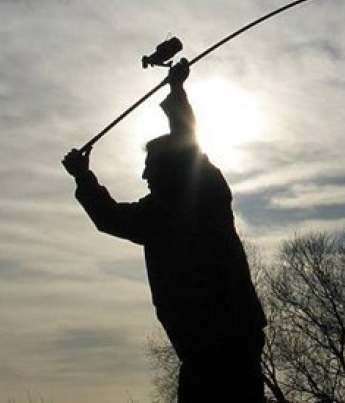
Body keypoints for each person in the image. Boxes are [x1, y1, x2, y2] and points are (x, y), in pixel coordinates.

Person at [62, 59, 267, 402]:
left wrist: (176, 91)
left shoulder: (200, 194)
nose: (143, 176)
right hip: (212, 340)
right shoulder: (171, 207)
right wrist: (83, 176)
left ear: (170, 167)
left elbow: (187, 143)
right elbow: (110, 217)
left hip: (222, 337)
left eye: (148, 167)